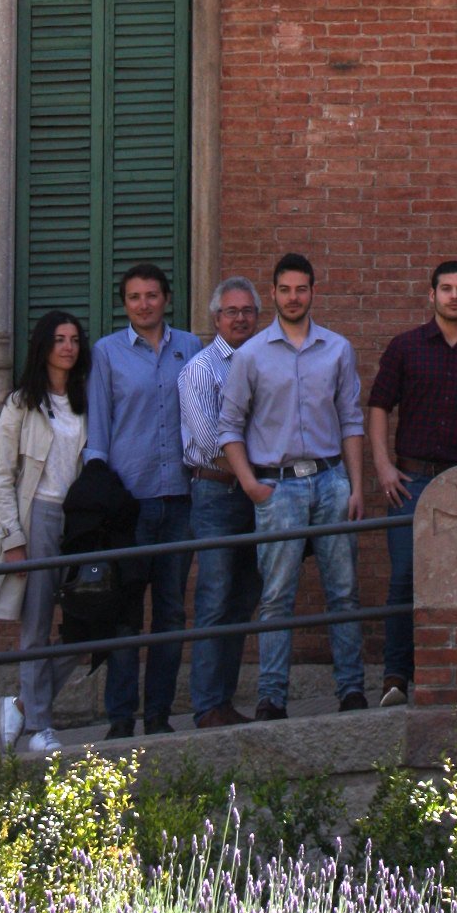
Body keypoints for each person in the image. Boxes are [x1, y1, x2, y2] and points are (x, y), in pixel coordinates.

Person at [218, 253, 368, 719]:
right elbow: (229, 426)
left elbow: (350, 420)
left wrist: (356, 486)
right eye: (285, 289)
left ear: (313, 292)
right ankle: (272, 697)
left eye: (301, 289)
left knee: (342, 591)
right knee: (277, 597)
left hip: (330, 481)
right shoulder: (251, 355)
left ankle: (351, 689)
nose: (294, 297)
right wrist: (249, 484)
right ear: (275, 294)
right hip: (277, 488)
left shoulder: (337, 349)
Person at [367, 257, 457, 708]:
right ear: (432, 295)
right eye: (446, 288)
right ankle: (396, 677)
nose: (454, 296)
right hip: (412, 481)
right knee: (405, 576)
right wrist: (384, 466)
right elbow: (379, 406)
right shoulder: (406, 347)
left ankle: (455, 677)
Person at [84, 262, 201, 738]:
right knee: (125, 615)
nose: (144, 305)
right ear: (125, 303)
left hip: (180, 500)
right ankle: (119, 717)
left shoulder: (191, 348)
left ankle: (158, 714)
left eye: (152, 296)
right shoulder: (106, 354)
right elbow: (98, 430)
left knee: (171, 612)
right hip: (128, 505)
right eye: (135, 297)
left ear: (166, 299)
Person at [0, 310, 93, 755]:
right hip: (37, 518)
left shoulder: (87, 399)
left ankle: (20, 702)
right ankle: (40, 728)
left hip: (80, 523)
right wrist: (12, 537)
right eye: (59, 339)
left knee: (89, 624)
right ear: (43, 346)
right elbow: (2, 477)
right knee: (35, 626)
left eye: (74, 339)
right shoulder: (20, 404)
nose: (68, 347)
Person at [177, 276, 263, 728]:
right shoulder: (200, 369)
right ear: (216, 319)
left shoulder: (265, 362)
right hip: (216, 492)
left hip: (254, 494)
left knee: (244, 596)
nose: (240, 318)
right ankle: (207, 705)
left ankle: (224, 700)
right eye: (231, 312)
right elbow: (211, 441)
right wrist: (260, 469)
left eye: (248, 311)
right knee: (214, 595)